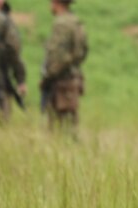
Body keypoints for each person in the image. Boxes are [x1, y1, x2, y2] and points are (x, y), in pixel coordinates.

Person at [40, 0, 88, 132]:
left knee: (57, 128)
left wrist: (48, 76)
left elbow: (57, 56)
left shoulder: (61, 24)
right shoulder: (77, 22)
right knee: (70, 125)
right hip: (73, 80)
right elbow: (83, 51)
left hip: (61, 82)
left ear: (56, 3)